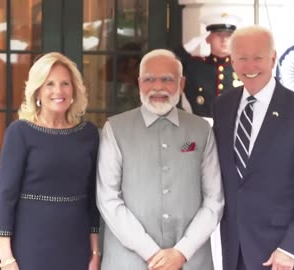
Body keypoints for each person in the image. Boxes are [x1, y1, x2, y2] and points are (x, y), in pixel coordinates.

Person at [96, 49, 224, 270]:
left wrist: (181, 252)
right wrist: (152, 253)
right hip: (128, 262)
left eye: (167, 79)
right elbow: (108, 199)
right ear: (139, 83)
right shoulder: (115, 129)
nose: (158, 87)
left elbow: (214, 200)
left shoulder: (201, 129)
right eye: (149, 79)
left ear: (182, 84)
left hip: (191, 261)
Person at [212, 25, 294, 270]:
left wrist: (290, 248)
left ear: (273, 58)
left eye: (258, 58)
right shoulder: (222, 107)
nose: (250, 66)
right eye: (242, 58)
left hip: (281, 255)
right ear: (232, 61)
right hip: (235, 251)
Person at [0, 52, 101, 270]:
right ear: (37, 91)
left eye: (65, 84)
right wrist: (6, 257)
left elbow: (93, 199)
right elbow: (5, 196)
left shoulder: (89, 134)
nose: (58, 91)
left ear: (74, 90)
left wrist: (95, 251)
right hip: (30, 246)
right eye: (49, 84)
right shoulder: (20, 132)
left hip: (76, 246)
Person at [176, 12, 242, 117]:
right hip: (201, 129)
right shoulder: (195, 67)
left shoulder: (244, 68)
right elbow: (169, 63)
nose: (224, 40)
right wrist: (190, 45)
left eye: (228, 36)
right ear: (208, 38)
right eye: (218, 35)